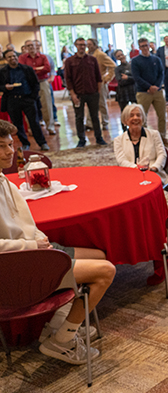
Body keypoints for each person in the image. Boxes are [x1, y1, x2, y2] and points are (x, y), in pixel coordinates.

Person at [0, 119, 116, 365]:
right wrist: (33, 246)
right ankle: (61, 340)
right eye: (1, 146)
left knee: (99, 256)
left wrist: (41, 240)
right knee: (106, 272)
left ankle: (56, 325)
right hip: (14, 268)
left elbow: (26, 224)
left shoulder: (6, 182)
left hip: (33, 255)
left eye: (10, 145)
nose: (9, 151)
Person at [0, 49, 50, 151]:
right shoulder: (2, 71)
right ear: (6, 59)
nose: (12, 58)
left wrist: (32, 98)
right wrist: (5, 87)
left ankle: (42, 143)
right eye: (9, 57)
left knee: (34, 122)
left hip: (28, 99)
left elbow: (35, 84)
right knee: (17, 124)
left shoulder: (27, 69)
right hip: (12, 100)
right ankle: (25, 143)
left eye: (14, 56)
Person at [63, 38, 108, 148]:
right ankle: (81, 140)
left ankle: (99, 138)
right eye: (80, 45)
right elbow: (68, 79)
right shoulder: (69, 61)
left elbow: (98, 77)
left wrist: (98, 92)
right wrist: (72, 94)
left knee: (95, 117)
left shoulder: (92, 60)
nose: (82, 47)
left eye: (84, 45)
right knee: (79, 117)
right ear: (75, 46)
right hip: (78, 94)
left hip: (92, 93)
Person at [131, 38, 168, 146]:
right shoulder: (135, 61)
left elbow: (161, 74)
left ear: (150, 46)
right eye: (142, 46)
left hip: (157, 92)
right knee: (142, 117)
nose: (145, 48)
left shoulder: (156, 59)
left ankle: (162, 137)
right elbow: (136, 77)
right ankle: (144, 140)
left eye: (146, 45)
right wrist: (149, 87)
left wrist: (156, 86)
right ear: (139, 48)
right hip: (143, 92)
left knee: (162, 115)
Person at [113, 104, 167, 185]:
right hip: (129, 175)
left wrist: (154, 168)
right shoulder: (118, 140)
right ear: (125, 120)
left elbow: (162, 154)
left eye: (138, 115)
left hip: (153, 174)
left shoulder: (154, 134)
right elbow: (121, 161)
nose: (135, 118)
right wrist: (138, 169)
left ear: (143, 118)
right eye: (131, 115)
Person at [18, 40, 55, 135]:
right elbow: (23, 70)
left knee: (47, 105)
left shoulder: (43, 57)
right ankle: (31, 129)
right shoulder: (22, 58)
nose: (30, 47)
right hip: (28, 84)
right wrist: (38, 69)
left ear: (36, 46)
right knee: (29, 106)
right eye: (28, 46)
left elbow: (47, 68)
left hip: (42, 82)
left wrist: (31, 70)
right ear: (25, 48)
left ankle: (50, 127)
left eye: (32, 45)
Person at [86, 38, 115, 131]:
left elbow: (113, 66)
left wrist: (107, 78)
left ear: (95, 45)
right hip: (90, 82)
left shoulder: (101, 55)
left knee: (101, 103)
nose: (88, 46)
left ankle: (105, 122)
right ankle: (89, 123)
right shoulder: (86, 54)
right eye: (87, 44)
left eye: (90, 44)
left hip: (100, 82)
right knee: (90, 103)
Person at [114, 49, 137, 115]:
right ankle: (124, 125)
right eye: (118, 56)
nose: (121, 57)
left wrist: (127, 78)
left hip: (133, 90)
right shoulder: (117, 69)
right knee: (124, 112)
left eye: (121, 54)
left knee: (136, 110)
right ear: (116, 58)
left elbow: (136, 78)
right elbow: (120, 81)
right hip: (122, 92)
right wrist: (131, 79)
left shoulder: (132, 66)